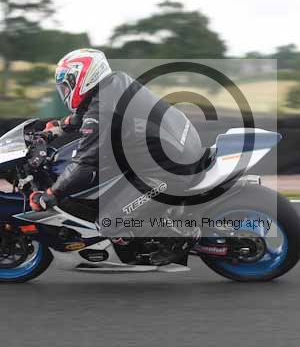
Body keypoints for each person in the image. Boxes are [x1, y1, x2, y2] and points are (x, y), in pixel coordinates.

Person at [28, 49, 204, 265]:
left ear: (82, 78)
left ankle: (181, 236)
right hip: (183, 142)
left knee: (109, 222)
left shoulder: (101, 109)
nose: (65, 91)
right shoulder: (115, 82)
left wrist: (51, 194)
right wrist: (55, 129)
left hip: (169, 169)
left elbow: (84, 164)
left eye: (66, 86)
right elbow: (85, 115)